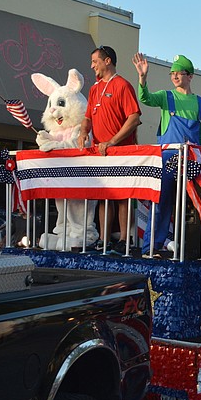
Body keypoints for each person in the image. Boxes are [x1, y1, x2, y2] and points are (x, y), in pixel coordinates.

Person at [133, 52, 201, 256]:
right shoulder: (167, 97)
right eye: (172, 73)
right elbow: (145, 98)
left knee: (191, 208)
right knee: (161, 204)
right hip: (167, 160)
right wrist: (142, 78)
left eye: (179, 73)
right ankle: (151, 247)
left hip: (191, 162)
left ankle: (192, 248)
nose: (175, 76)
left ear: (190, 76)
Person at [78, 45, 142, 250]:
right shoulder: (94, 88)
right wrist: (82, 133)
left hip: (121, 150)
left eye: (95, 61)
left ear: (107, 61)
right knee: (104, 195)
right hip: (100, 151)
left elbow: (134, 118)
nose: (92, 66)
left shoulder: (122, 85)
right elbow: (87, 117)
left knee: (123, 196)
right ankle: (104, 240)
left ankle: (125, 239)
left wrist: (112, 141)